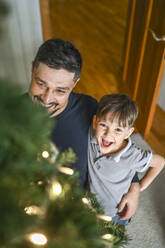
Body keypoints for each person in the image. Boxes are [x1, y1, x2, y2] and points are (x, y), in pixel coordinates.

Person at [28, 38, 140, 220]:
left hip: (85, 211)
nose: (47, 99)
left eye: (60, 90)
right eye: (41, 84)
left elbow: (117, 144)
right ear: (33, 68)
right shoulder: (9, 114)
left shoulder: (88, 107)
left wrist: (134, 186)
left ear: (75, 83)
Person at [88, 94, 165, 226]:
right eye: (103, 125)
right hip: (88, 208)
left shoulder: (132, 156)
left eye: (118, 130)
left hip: (113, 214)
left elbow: (160, 162)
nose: (108, 135)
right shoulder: (91, 137)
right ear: (95, 122)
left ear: (128, 133)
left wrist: (140, 187)